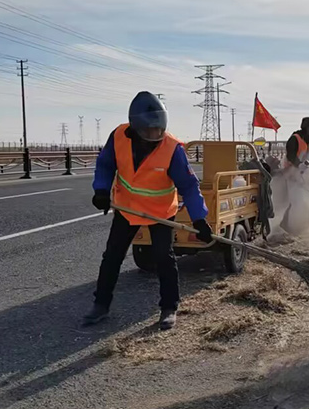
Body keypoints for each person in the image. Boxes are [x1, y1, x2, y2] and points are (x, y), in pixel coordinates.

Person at [84, 91, 213, 330]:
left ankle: (169, 307)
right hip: (127, 208)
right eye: (149, 131)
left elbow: (189, 186)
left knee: (164, 258)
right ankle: (100, 305)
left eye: (158, 130)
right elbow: (105, 165)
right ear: (135, 127)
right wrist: (101, 190)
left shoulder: (172, 149)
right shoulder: (118, 137)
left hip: (160, 212)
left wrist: (200, 219)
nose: (155, 135)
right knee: (112, 257)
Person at [280, 117, 309, 235]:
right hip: (293, 177)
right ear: (305, 128)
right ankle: (288, 227)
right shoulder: (294, 139)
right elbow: (291, 155)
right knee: (296, 202)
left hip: (305, 178)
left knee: (307, 202)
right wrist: (299, 165)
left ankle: (306, 226)